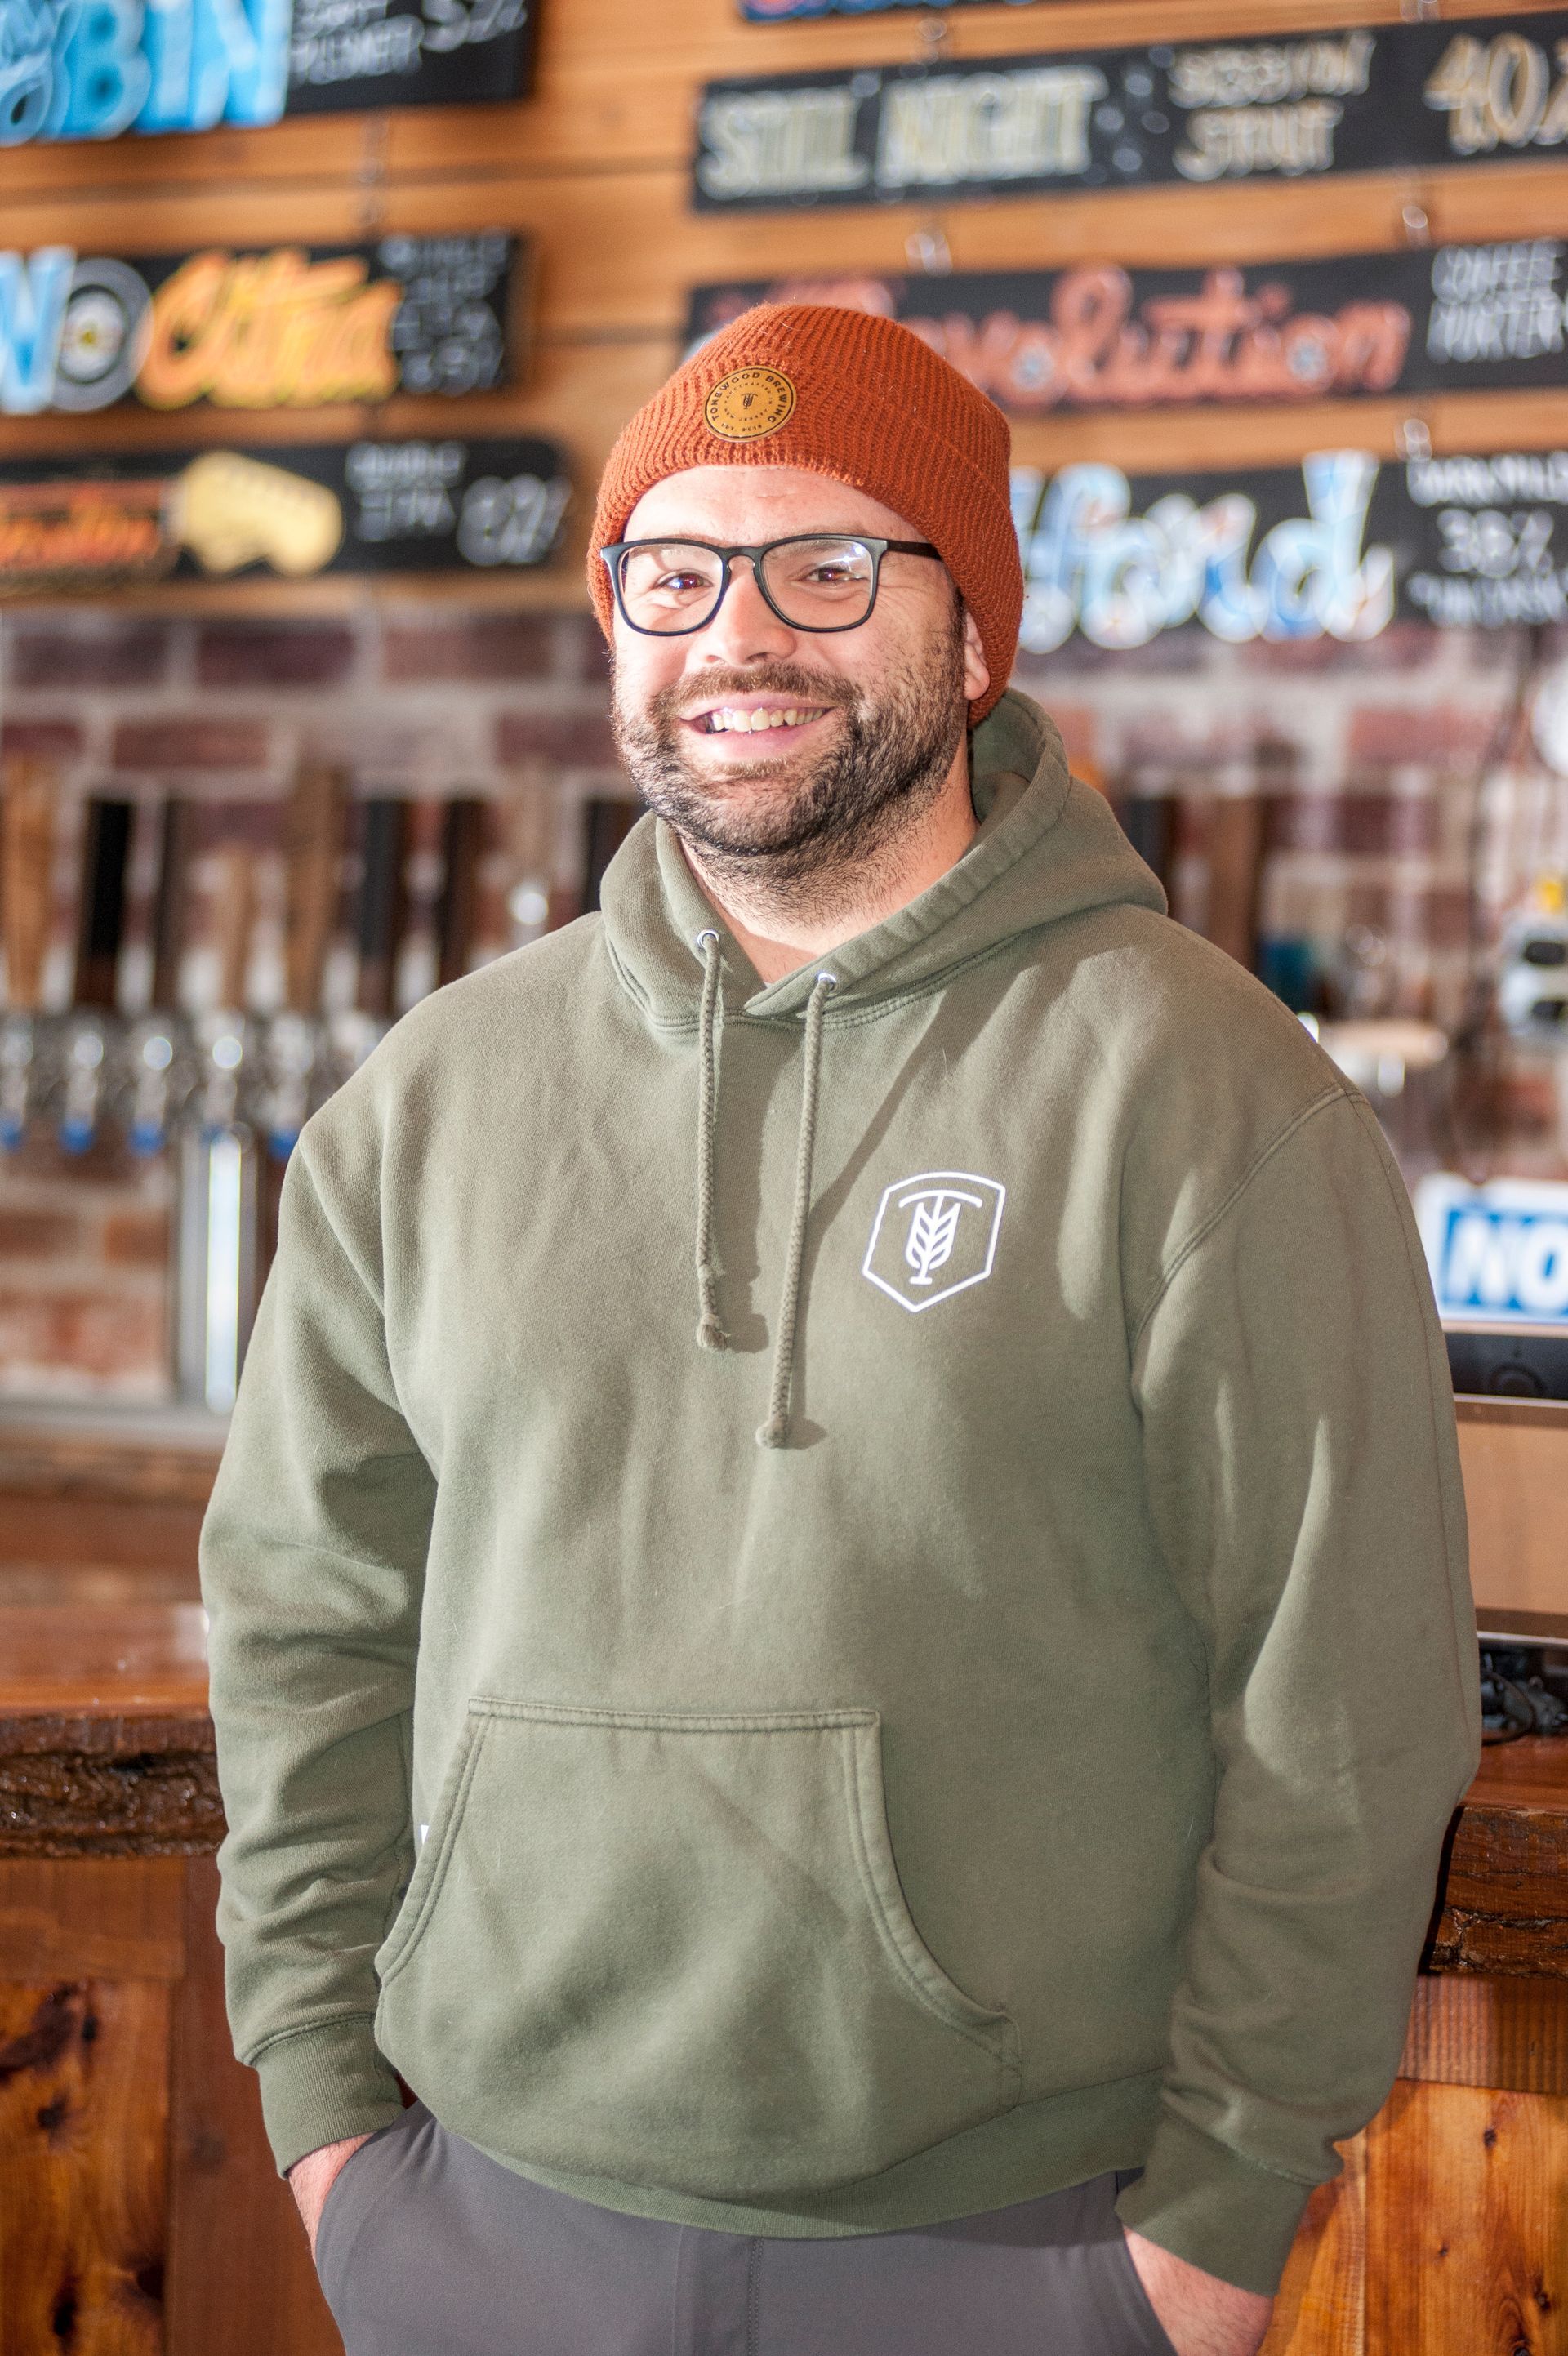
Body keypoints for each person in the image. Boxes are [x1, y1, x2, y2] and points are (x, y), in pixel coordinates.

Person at [200, 305, 1481, 2356]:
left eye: (825, 566)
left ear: (971, 638)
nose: (738, 636)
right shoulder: (429, 1102)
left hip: (1016, 2246)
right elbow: (304, 1627)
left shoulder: (1204, 1094)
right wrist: (331, 2124)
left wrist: (1213, 2229)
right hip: (481, 2221)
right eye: (674, 574)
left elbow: (1342, 1703)